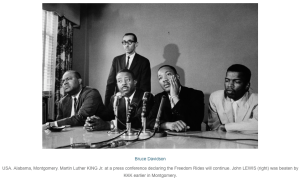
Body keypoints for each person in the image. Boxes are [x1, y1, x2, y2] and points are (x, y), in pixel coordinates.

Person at [85, 69, 153, 131]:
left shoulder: (146, 97)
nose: (123, 83)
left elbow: (138, 121)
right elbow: (107, 115)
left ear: (135, 82)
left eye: (127, 80)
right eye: (119, 81)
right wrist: (93, 120)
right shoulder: (115, 98)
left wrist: (109, 125)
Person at [147, 65, 204, 132]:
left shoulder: (196, 94)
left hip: (190, 138)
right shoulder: (158, 97)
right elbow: (148, 121)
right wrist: (167, 125)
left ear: (177, 76)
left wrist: (174, 96)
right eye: (160, 78)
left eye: (168, 74)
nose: (164, 79)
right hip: (166, 140)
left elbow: (195, 121)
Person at [104, 33, 151, 107]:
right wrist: (107, 105)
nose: (126, 45)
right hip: (119, 101)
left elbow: (145, 86)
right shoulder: (117, 60)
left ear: (136, 44)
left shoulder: (144, 61)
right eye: (124, 42)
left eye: (129, 42)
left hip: (136, 102)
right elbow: (110, 84)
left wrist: (141, 105)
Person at [208, 64, 258, 132]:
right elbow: (215, 127)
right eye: (227, 80)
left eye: (236, 81)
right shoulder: (215, 97)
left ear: (247, 85)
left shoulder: (256, 100)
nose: (230, 85)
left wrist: (227, 127)